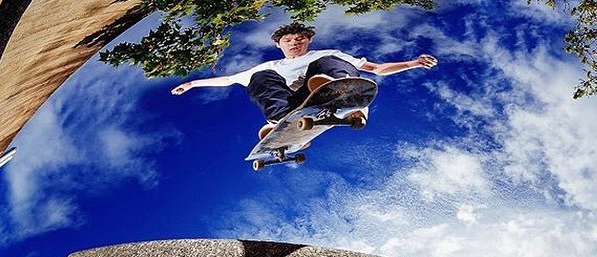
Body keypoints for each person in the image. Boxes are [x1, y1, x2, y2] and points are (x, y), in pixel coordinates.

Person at [171, 22, 437, 138]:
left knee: (326, 62)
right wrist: (192, 84)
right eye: (288, 40)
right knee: (259, 77)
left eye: (300, 39)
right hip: (300, 105)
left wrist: (413, 63)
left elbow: (377, 69)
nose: (295, 43)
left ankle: (337, 91)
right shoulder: (271, 64)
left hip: (339, 88)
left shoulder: (326, 52)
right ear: (279, 45)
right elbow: (228, 80)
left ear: (308, 40)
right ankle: (281, 121)